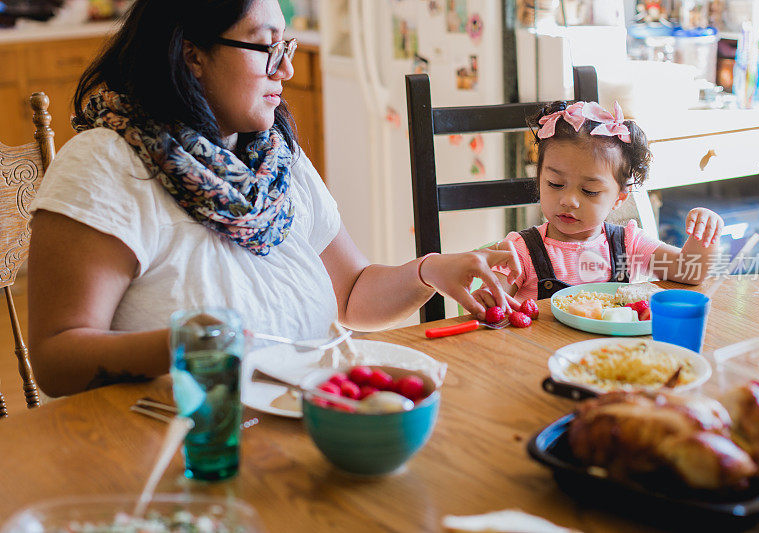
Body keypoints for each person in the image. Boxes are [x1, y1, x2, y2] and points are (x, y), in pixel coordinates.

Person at [27, 0, 520, 397]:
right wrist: (181, 347)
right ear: (191, 54)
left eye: (286, 45)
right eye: (266, 47)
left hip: (302, 434)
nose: (284, 69)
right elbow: (55, 360)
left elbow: (350, 294)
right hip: (181, 450)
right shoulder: (104, 166)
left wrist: (429, 270)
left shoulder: (274, 161)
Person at [471, 100, 724, 307]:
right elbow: (493, 297)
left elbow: (690, 272)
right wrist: (489, 299)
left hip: (613, 359)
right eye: (555, 184)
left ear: (619, 198)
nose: (568, 200)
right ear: (539, 180)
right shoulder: (522, 251)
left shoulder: (629, 245)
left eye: (589, 191)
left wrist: (704, 237)